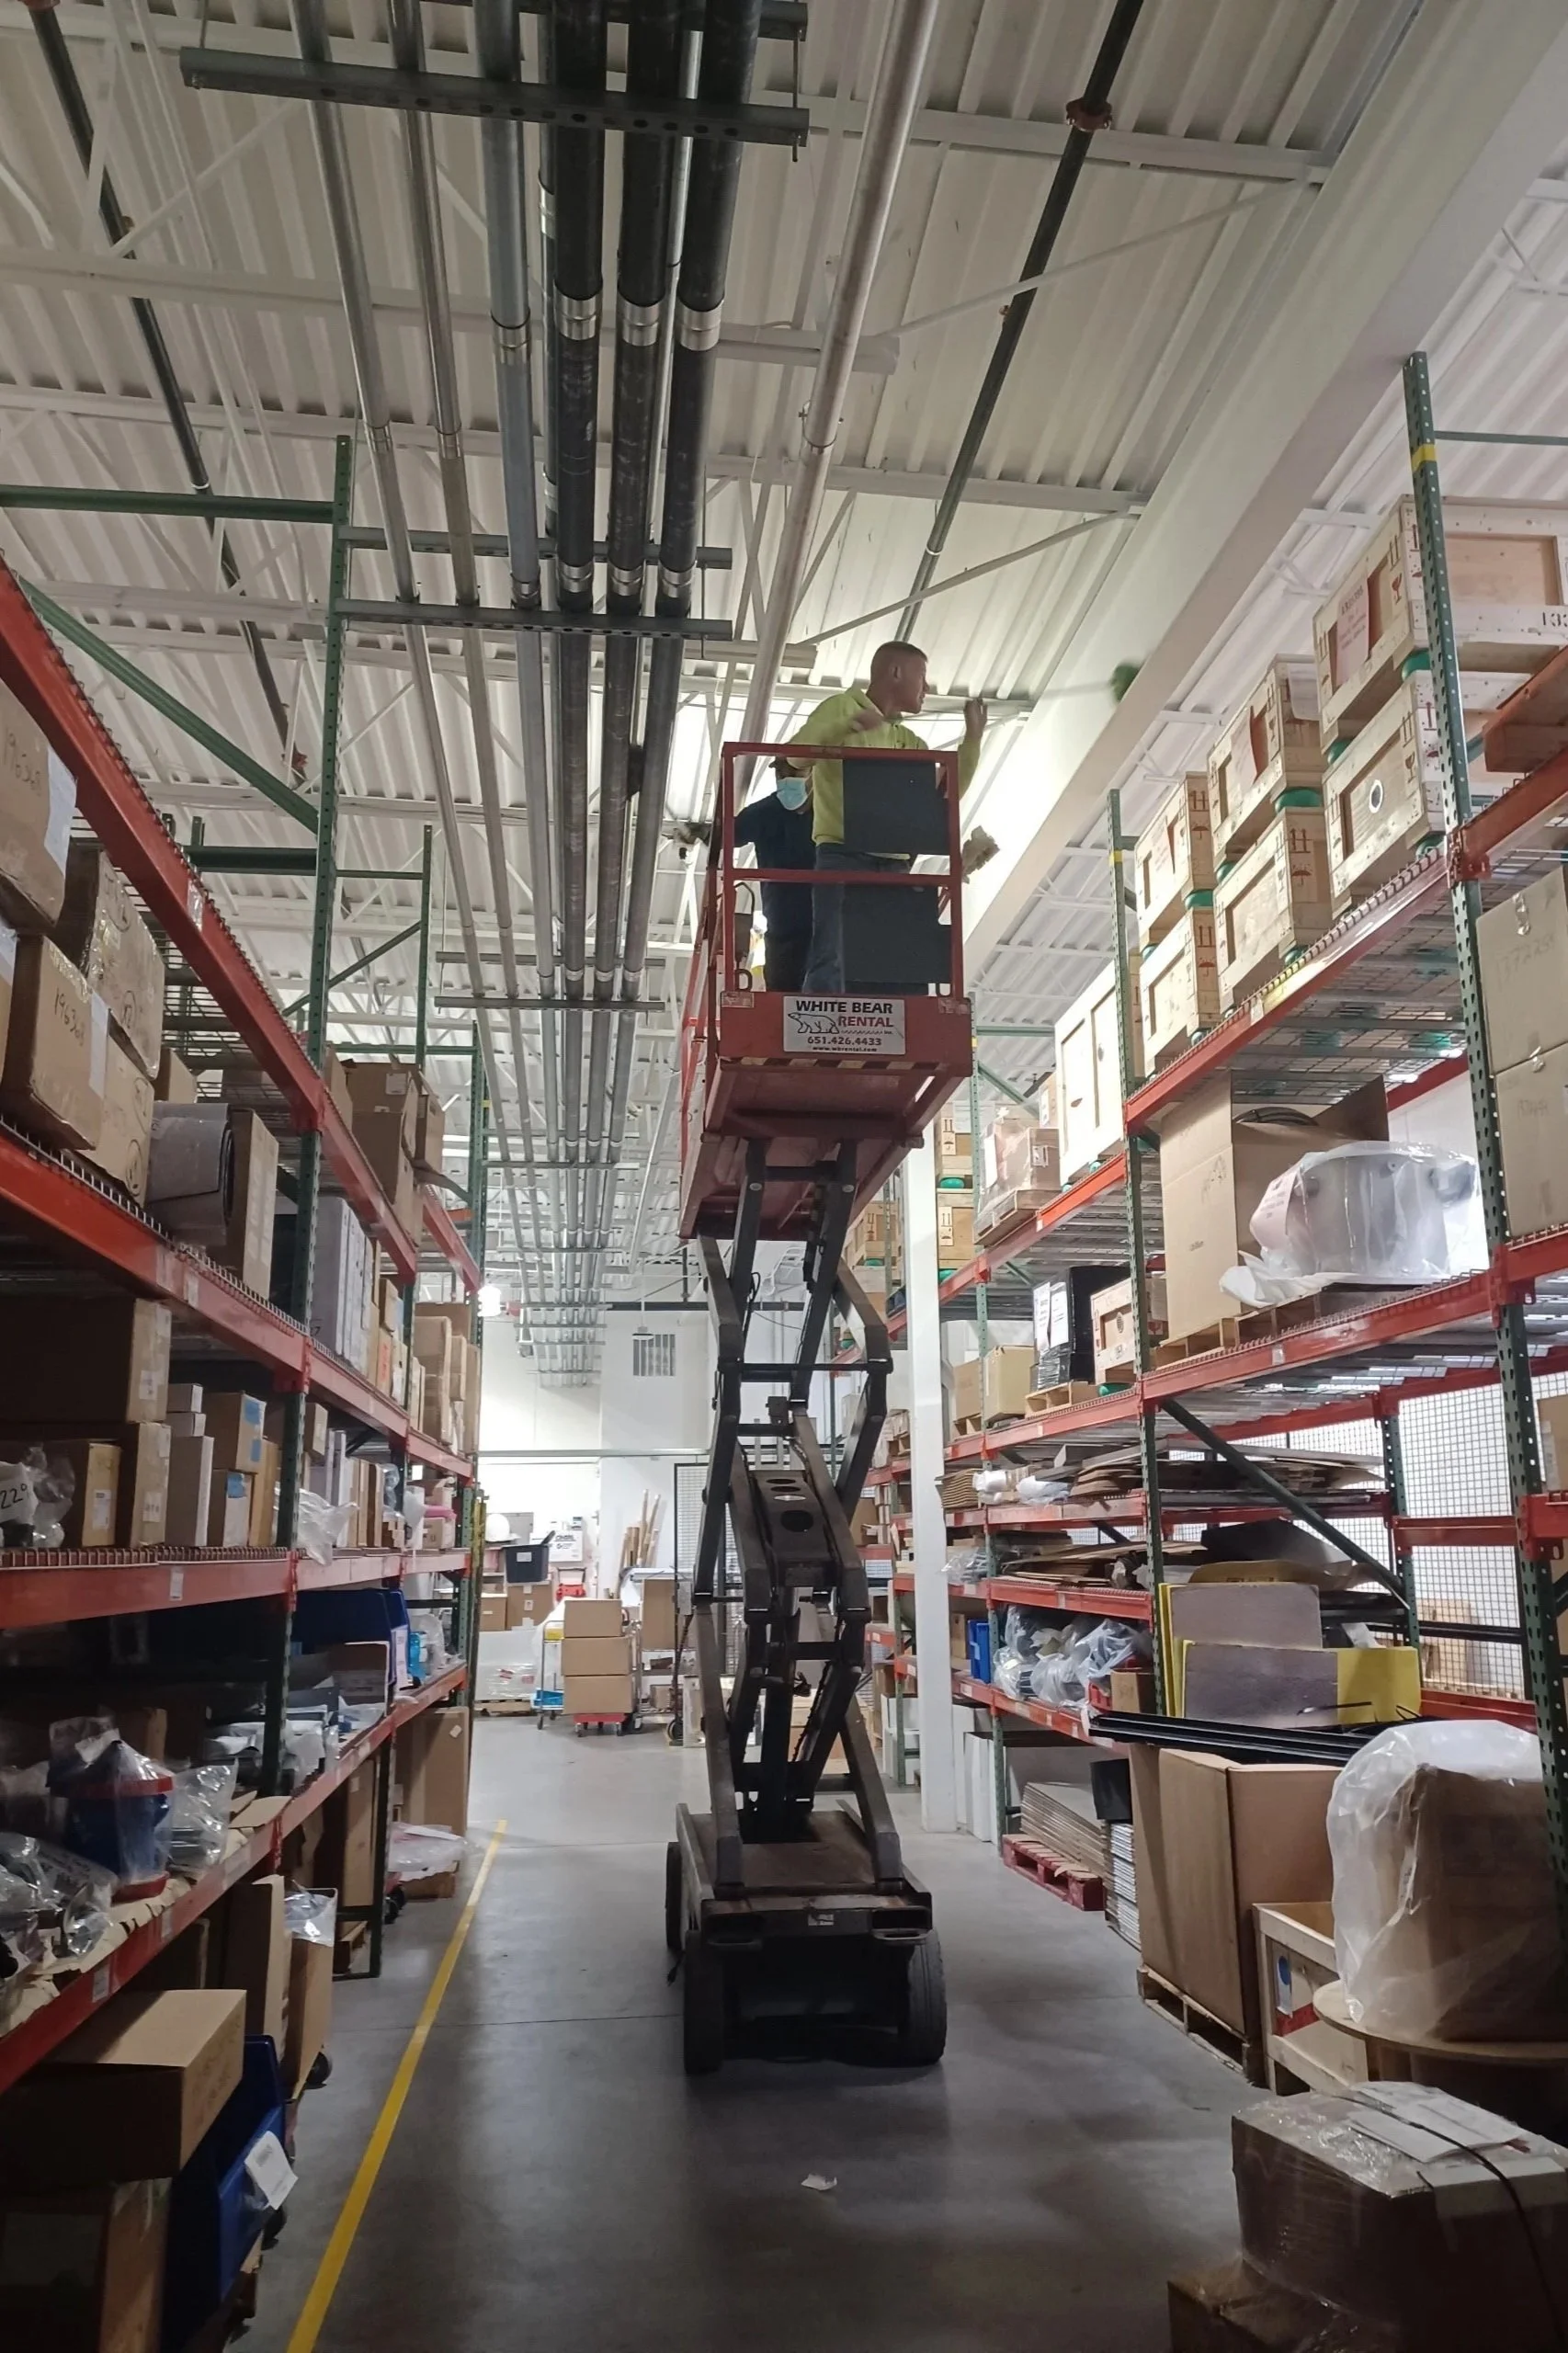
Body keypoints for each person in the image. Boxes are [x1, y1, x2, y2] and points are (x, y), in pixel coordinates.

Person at [784, 642, 986, 995]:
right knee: (831, 954)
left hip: (893, 862)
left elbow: (945, 797)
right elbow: (796, 758)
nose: (928, 688)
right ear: (895, 672)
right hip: (843, 854)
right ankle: (819, 1025)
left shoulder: (910, 741)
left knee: (889, 959)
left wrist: (973, 740)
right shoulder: (841, 707)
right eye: (922, 676)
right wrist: (846, 727)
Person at [731, 776, 816, 993]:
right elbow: (731, 834)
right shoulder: (830, 808)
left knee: (787, 978)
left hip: (788, 906)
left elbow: (731, 834)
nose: (785, 776)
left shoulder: (768, 810)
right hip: (810, 906)